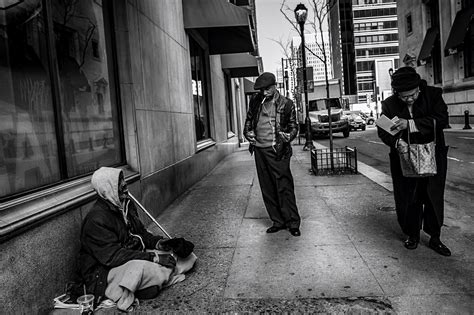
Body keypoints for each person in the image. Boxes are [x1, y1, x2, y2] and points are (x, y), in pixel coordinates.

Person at [79, 167, 190, 311]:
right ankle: (144, 283)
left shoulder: (126, 205)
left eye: (123, 180)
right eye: (118, 182)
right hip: (104, 271)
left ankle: (146, 283)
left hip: (132, 255)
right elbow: (113, 256)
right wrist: (153, 257)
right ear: (106, 189)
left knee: (184, 255)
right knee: (141, 267)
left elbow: (141, 233)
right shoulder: (96, 219)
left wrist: (159, 243)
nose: (125, 185)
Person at [377, 66, 451, 256]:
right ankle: (412, 235)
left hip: (432, 155)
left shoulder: (433, 95)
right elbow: (383, 130)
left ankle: (435, 237)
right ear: (396, 93)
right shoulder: (389, 104)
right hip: (404, 158)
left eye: (412, 95)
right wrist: (396, 141)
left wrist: (410, 124)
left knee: (433, 196)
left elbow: (442, 119)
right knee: (408, 197)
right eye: (403, 96)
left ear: (418, 87)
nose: (409, 99)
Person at [243, 72, 301, 236]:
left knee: (284, 186)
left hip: (278, 150)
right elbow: (249, 121)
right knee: (267, 187)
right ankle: (278, 221)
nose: (264, 93)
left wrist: (289, 136)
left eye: (267, 89)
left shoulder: (286, 104)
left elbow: (293, 126)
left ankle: (292, 222)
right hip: (260, 149)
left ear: (275, 86)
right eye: (261, 90)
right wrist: (247, 133)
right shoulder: (255, 101)